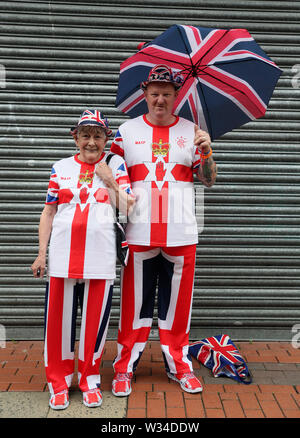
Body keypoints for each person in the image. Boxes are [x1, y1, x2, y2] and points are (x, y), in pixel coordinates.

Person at [110, 64, 217, 396]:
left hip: (181, 234)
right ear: (145, 95)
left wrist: (207, 152)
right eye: (154, 93)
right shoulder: (125, 132)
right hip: (139, 233)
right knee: (134, 307)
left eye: (166, 94)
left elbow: (209, 179)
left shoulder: (193, 131)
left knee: (177, 307)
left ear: (176, 96)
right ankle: (125, 367)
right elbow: (111, 176)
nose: (160, 100)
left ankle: (178, 365)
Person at [31, 109, 135, 410]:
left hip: (100, 261)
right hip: (63, 259)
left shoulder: (115, 167)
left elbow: (130, 207)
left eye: (97, 136)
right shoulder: (60, 168)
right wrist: (41, 254)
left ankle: (90, 379)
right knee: (58, 326)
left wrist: (110, 180)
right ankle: (59, 382)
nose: (91, 142)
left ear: (106, 139)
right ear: (75, 138)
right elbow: (48, 212)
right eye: (85, 135)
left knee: (94, 325)